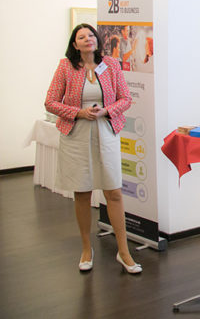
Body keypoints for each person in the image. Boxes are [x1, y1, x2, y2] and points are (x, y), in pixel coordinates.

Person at [44, 24, 142, 274]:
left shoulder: (111, 64)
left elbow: (126, 99)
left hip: (106, 133)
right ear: (74, 44)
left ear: (97, 40)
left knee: (114, 192)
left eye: (90, 35)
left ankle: (124, 252)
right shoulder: (65, 66)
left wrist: (106, 111)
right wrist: (79, 112)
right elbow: (50, 102)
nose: (88, 39)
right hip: (76, 136)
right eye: (81, 37)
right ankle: (87, 249)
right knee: (82, 193)